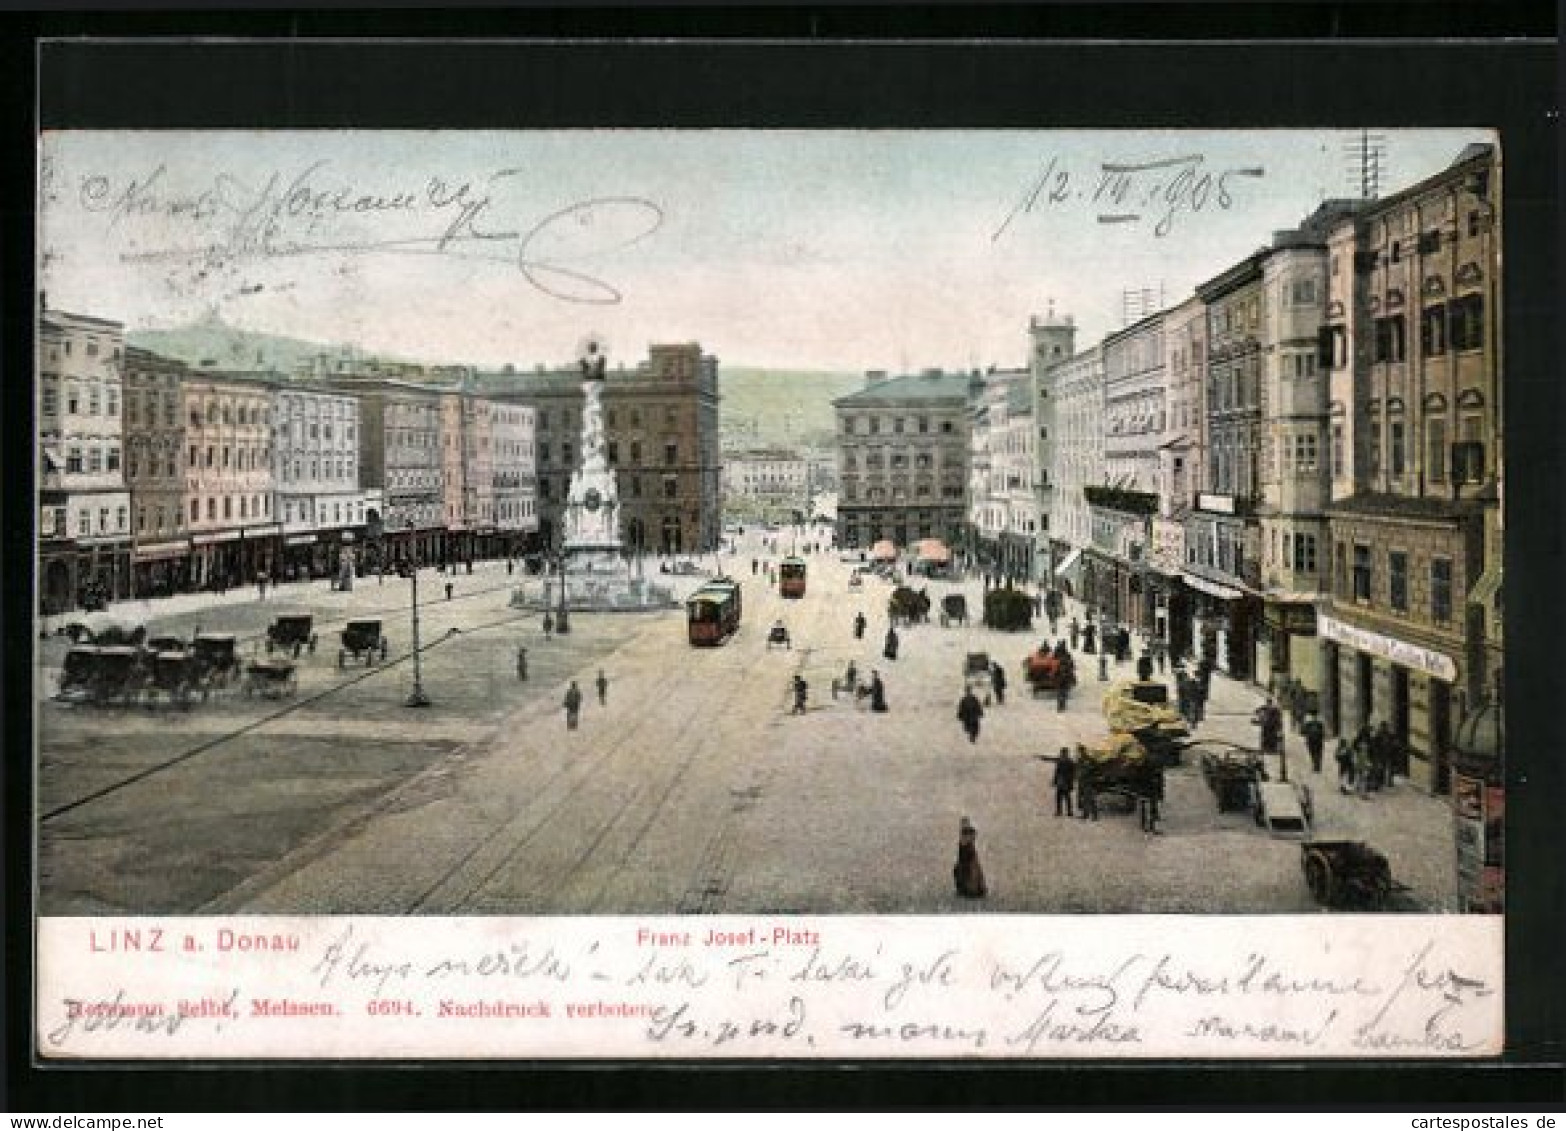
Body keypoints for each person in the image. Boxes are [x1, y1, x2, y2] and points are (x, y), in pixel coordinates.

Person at [952, 817, 987, 899]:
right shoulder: (965, 834)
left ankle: (972, 890)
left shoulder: (968, 833)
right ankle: (968, 889)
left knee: (969, 872)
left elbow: (969, 839)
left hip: (969, 858)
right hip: (966, 858)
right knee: (961, 871)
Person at [1076, 746, 1100, 821]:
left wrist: (1089, 773)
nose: (1080, 753)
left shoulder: (1090, 760)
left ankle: (1094, 816)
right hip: (1082, 782)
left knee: (1090, 799)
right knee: (1085, 799)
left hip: (1089, 782)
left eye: (1081, 751)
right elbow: (1078, 770)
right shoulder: (1080, 760)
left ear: (1084, 751)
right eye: (1079, 752)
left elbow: (1096, 769)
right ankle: (1086, 815)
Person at [1052, 747, 1076, 817]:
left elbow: (1073, 773)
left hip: (1065, 782)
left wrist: (1071, 782)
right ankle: (1064, 811)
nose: (1062, 754)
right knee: (1062, 797)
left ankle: (1064, 811)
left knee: (1064, 797)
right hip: (1062, 782)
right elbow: (1057, 772)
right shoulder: (1066, 761)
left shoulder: (1069, 762)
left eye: (1063, 753)